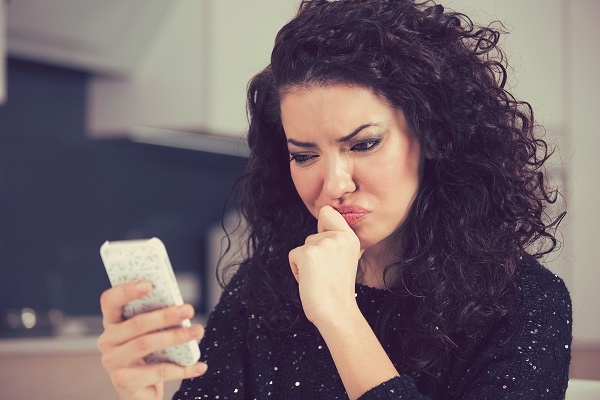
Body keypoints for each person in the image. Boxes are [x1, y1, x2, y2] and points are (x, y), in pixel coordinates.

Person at [97, 0, 572, 399]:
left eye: (363, 144)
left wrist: (339, 315)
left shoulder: (526, 302)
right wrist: (144, 394)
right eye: (304, 156)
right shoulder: (260, 290)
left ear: (431, 135)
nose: (333, 184)